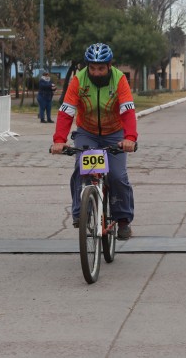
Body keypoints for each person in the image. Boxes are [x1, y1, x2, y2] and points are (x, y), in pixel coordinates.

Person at [50, 43, 138, 240]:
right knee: (81, 170)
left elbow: (128, 111)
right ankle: (80, 213)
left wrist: (130, 138)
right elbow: (66, 112)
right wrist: (59, 140)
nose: (96, 73)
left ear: (109, 66)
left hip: (114, 132)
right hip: (87, 132)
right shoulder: (78, 80)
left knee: (117, 176)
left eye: (101, 68)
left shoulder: (119, 79)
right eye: (92, 68)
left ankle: (123, 220)